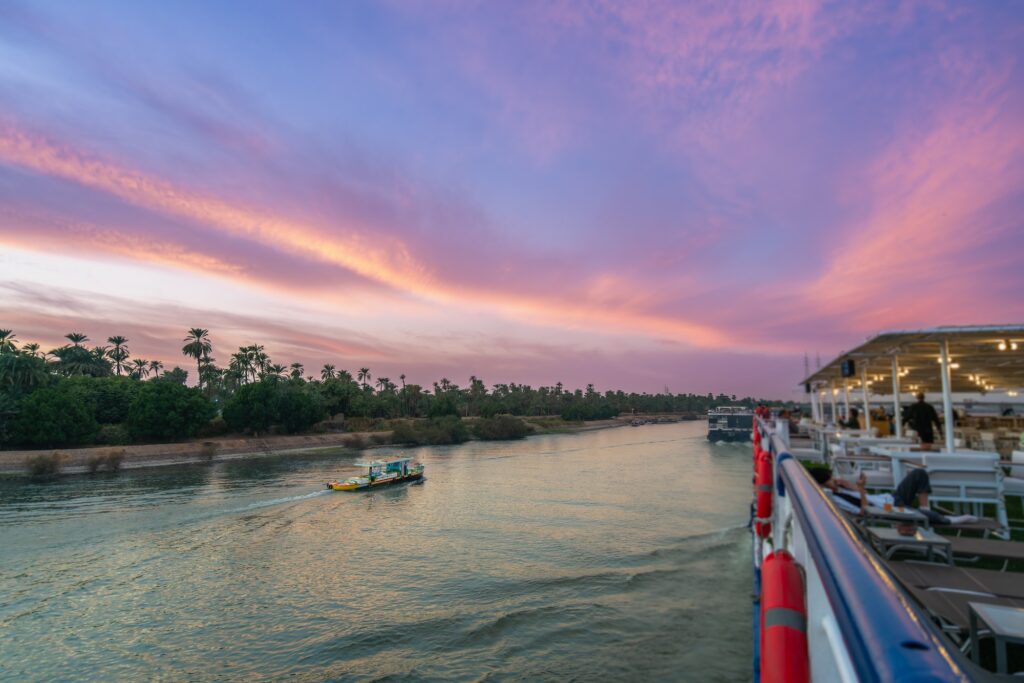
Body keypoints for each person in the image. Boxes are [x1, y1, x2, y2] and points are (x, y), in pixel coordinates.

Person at [809, 468, 976, 531]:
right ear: (823, 484)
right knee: (924, 517)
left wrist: (852, 486)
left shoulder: (839, 489)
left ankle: (925, 508)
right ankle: (950, 521)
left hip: (889, 499)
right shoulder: (835, 499)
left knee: (918, 474)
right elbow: (863, 510)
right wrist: (859, 490)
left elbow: (865, 495)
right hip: (885, 509)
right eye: (830, 479)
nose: (834, 480)